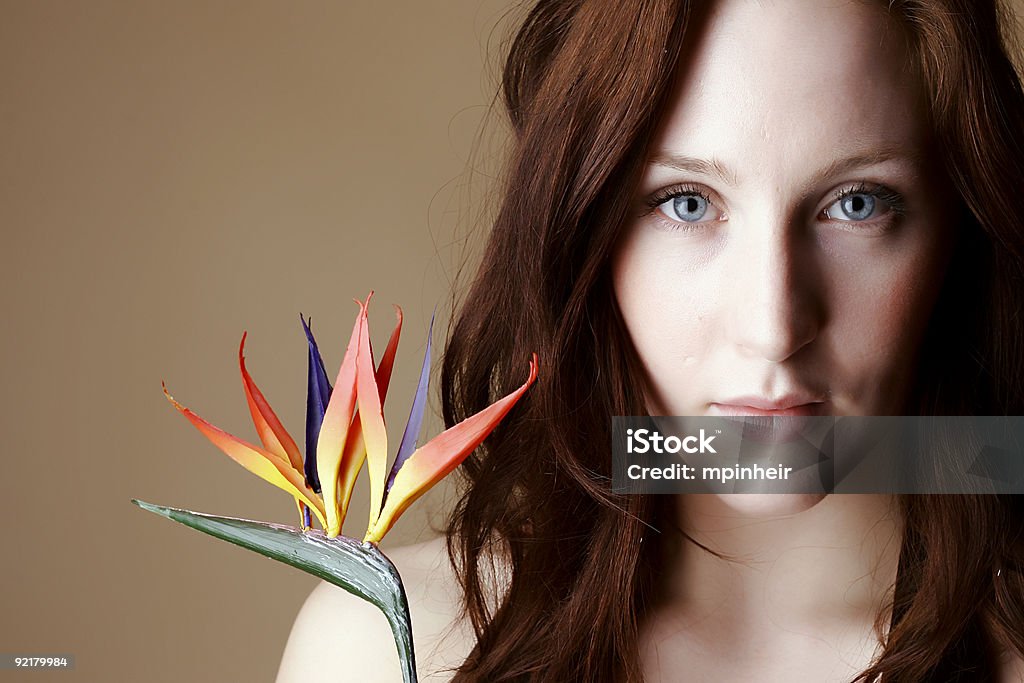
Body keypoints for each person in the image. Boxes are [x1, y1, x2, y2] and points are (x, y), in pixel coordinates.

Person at [277, 0, 1024, 680]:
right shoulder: (388, 642)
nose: (773, 329)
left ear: (959, 229)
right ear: (584, 235)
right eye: (687, 202)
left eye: (856, 203)